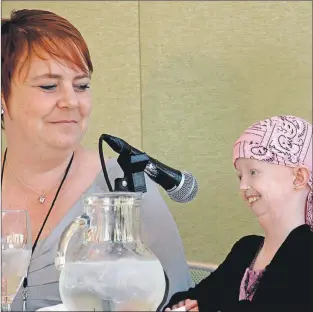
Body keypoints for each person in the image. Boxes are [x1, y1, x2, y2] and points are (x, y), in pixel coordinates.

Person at [1, 9, 193, 311]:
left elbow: (179, 301)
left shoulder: (123, 188)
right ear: (3, 97)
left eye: (82, 85)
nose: (71, 101)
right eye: (49, 86)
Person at [165, 115, 313, 312]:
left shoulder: (305, 252)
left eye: (253, 172)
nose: (243, 186)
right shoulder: (246, 250)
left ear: (299, 177)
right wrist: (183, 305)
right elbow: (194, 296)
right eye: (240, 176)